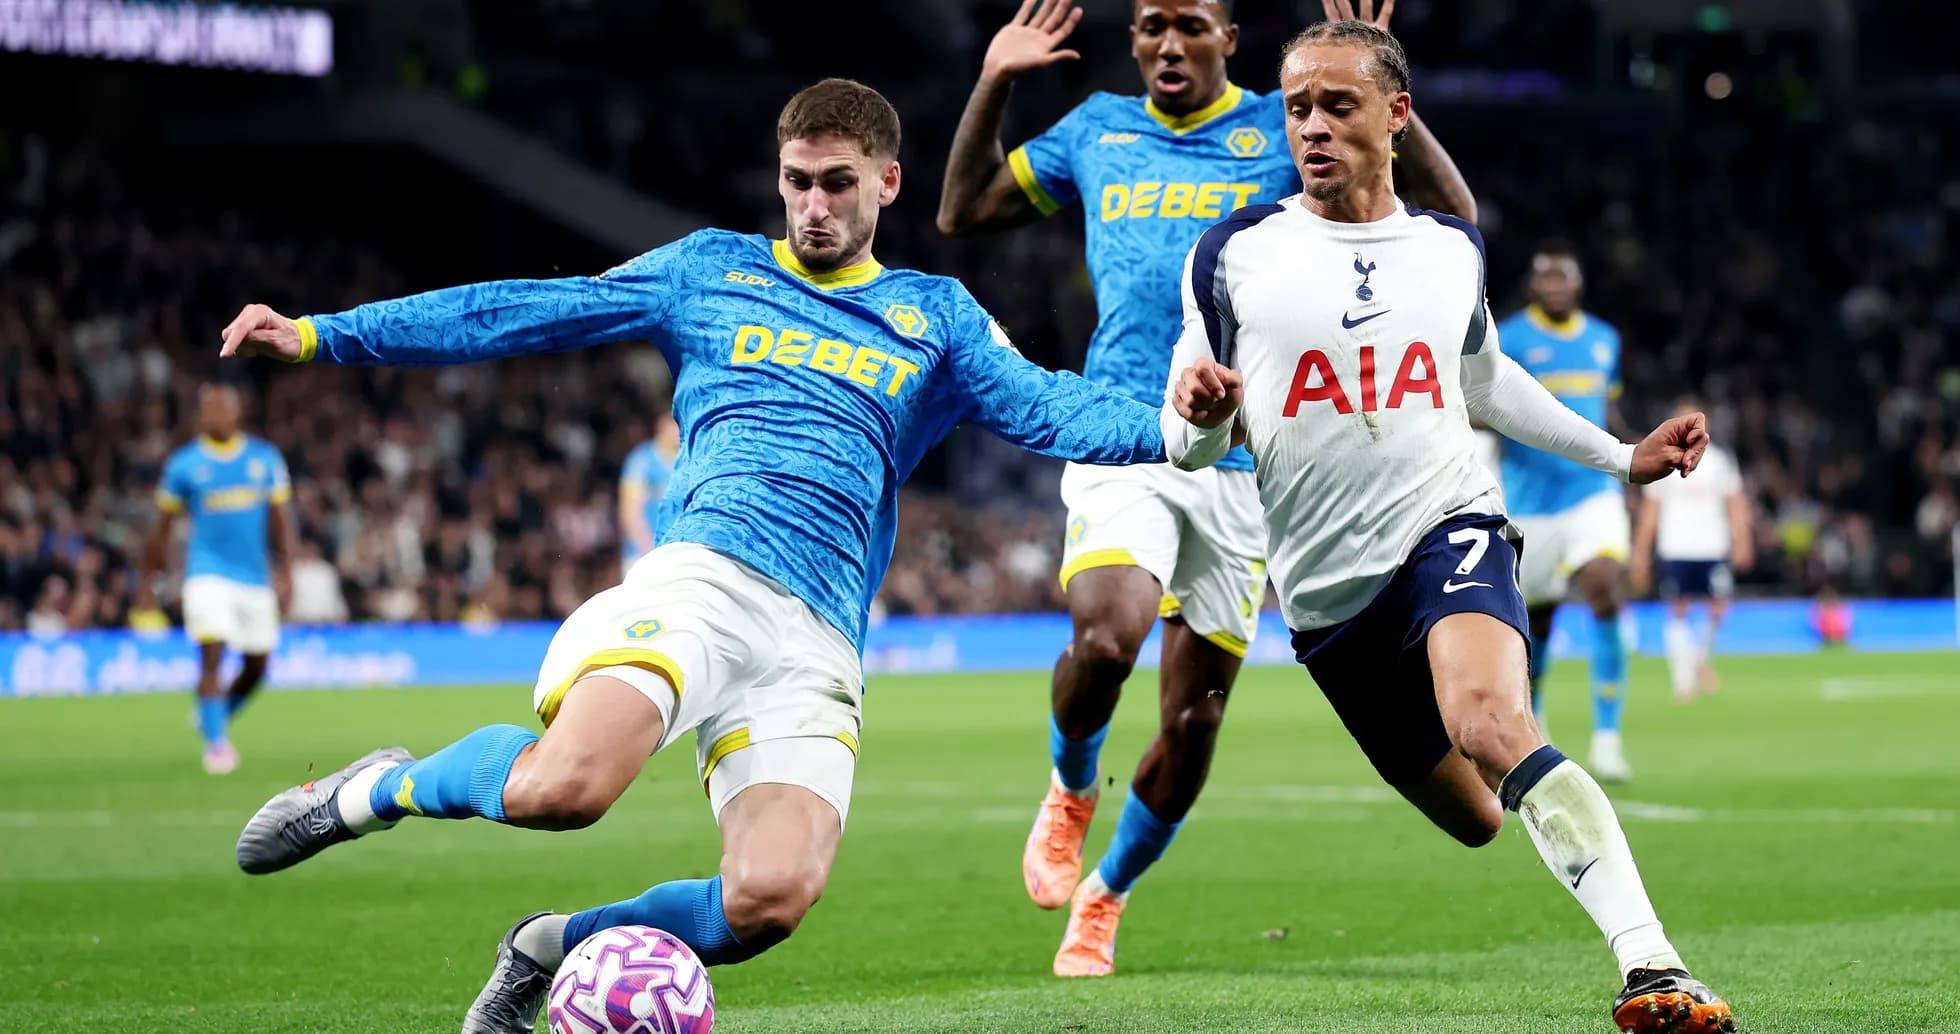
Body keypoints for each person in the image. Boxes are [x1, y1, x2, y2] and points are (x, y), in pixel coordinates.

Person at [222, 79, 1169, 1034]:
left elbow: (1053, 408)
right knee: (565, 790)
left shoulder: (938, 316)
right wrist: (320, 335)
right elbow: (522, 310)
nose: (814, 206)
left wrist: (1197, 429)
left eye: (839, 184)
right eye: (797, 181)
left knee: (768, 901)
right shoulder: (710, 270)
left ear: (887, 182)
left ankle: (545, 948)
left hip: (819, 638)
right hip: (703, 581)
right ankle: (370, 792)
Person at [1161, 21, 1735, 1032]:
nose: (1313, 127)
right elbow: (1186, 438)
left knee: (1492, 721)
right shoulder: (1231, 255)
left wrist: (1619, 455)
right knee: (1476, 817)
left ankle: (1653, 967)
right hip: (1328, 600)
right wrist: (1201, 420)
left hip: (1448, 524)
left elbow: (1482, 382)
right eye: (1297, 107)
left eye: (1338, 105)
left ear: (1396, 115)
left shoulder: (1446, 249)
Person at [936, 0, 1475, 976]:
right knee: (1105, 637)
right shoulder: (1096, 128)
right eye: (1149, 26)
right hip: (1122, 431)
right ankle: (1069, 785)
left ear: (1230, 37)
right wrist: (996, 78)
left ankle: (1105, 895)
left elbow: (1448, 219)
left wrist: (1385, 82)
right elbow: (960, 210)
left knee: (1194, 721)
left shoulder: (1285, 120)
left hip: (1246, 459)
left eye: (1190, 24)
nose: (1167, 44)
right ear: (1132, 39)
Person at [1493, 239, 1637, 780]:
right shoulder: (1508, 338)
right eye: (1545, 278)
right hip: (1529, 503)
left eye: (1564, 278)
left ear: (1578, 284)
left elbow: (1607, 408)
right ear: (1533, 286)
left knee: (1604, 588)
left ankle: (1607, 739)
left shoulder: (1605, 340)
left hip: (1592, 494)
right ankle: (1536, 719)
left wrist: (1634, 458)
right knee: (1539, 622)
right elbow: (1486, 402)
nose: (1555, 286)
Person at [134, 383, 294, 775]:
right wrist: (146, 587)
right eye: (206, 409)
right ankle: (217, 745)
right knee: (213, 653)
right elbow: (161, 528)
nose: (212, 415)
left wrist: (288, 570)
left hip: (254, 577)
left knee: (257, 665)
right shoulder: (184, 464)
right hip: (206, 574)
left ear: (237, 413)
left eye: (220, 408)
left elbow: (281, 520)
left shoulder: (264, 458)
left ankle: (213, 713)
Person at [1630, 397, 1753, 701]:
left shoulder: (1720, 461)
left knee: (1718, 608)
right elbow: (1651, 511)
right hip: (1677, 546)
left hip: (1713, 545)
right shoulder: (1665, 460)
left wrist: (1742, 540)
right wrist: (1641, 553)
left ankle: (1698, 661)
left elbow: (1735, 503)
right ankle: (1682, 680)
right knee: (1679, 609)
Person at [619, 411, 680, 573]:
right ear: (661, 426)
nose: (678, 431)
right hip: (642, 554)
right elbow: (630, 512)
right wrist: (649, 551)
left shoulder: (686, 459)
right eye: (674, 425)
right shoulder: (641, 460)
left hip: (677, 554)